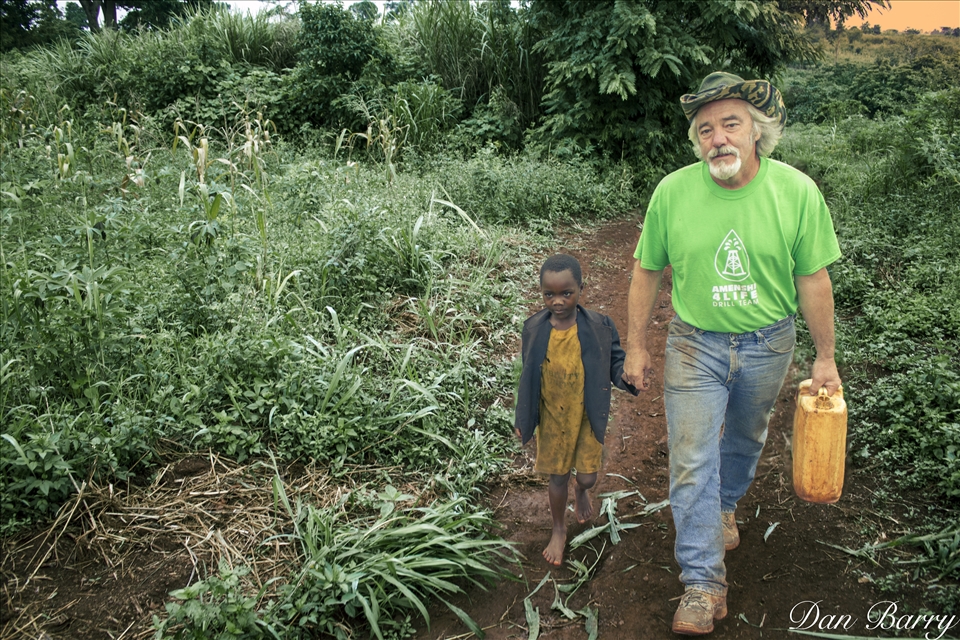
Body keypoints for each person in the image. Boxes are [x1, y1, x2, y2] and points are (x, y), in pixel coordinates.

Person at [622, 72, 842, 635]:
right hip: (695, 345)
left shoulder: (796, 191)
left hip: (770, 341)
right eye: (705, 130)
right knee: (692, 457)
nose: (717, 138)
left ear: (756, 131)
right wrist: (638, 346)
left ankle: (725, 506)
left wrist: (825, 358)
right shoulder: (673, 192)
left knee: (747, 436)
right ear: (696, 141)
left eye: (730, 124)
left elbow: (812, 277)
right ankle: (701, 583)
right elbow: (648, 270)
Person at [515, 254, 639, 566]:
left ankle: (581, 492)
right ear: (541, 292)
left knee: (586, 477)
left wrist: (628, 376)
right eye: (549, 294)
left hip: (585, 416)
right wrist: (524, 417)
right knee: (557, 478)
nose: (557, 301)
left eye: (566, 293)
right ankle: (559, 529)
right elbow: (527, 376)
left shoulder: (599, 326)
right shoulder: (533, 329)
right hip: (553, 418)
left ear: (581, 288)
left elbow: (614, 363)